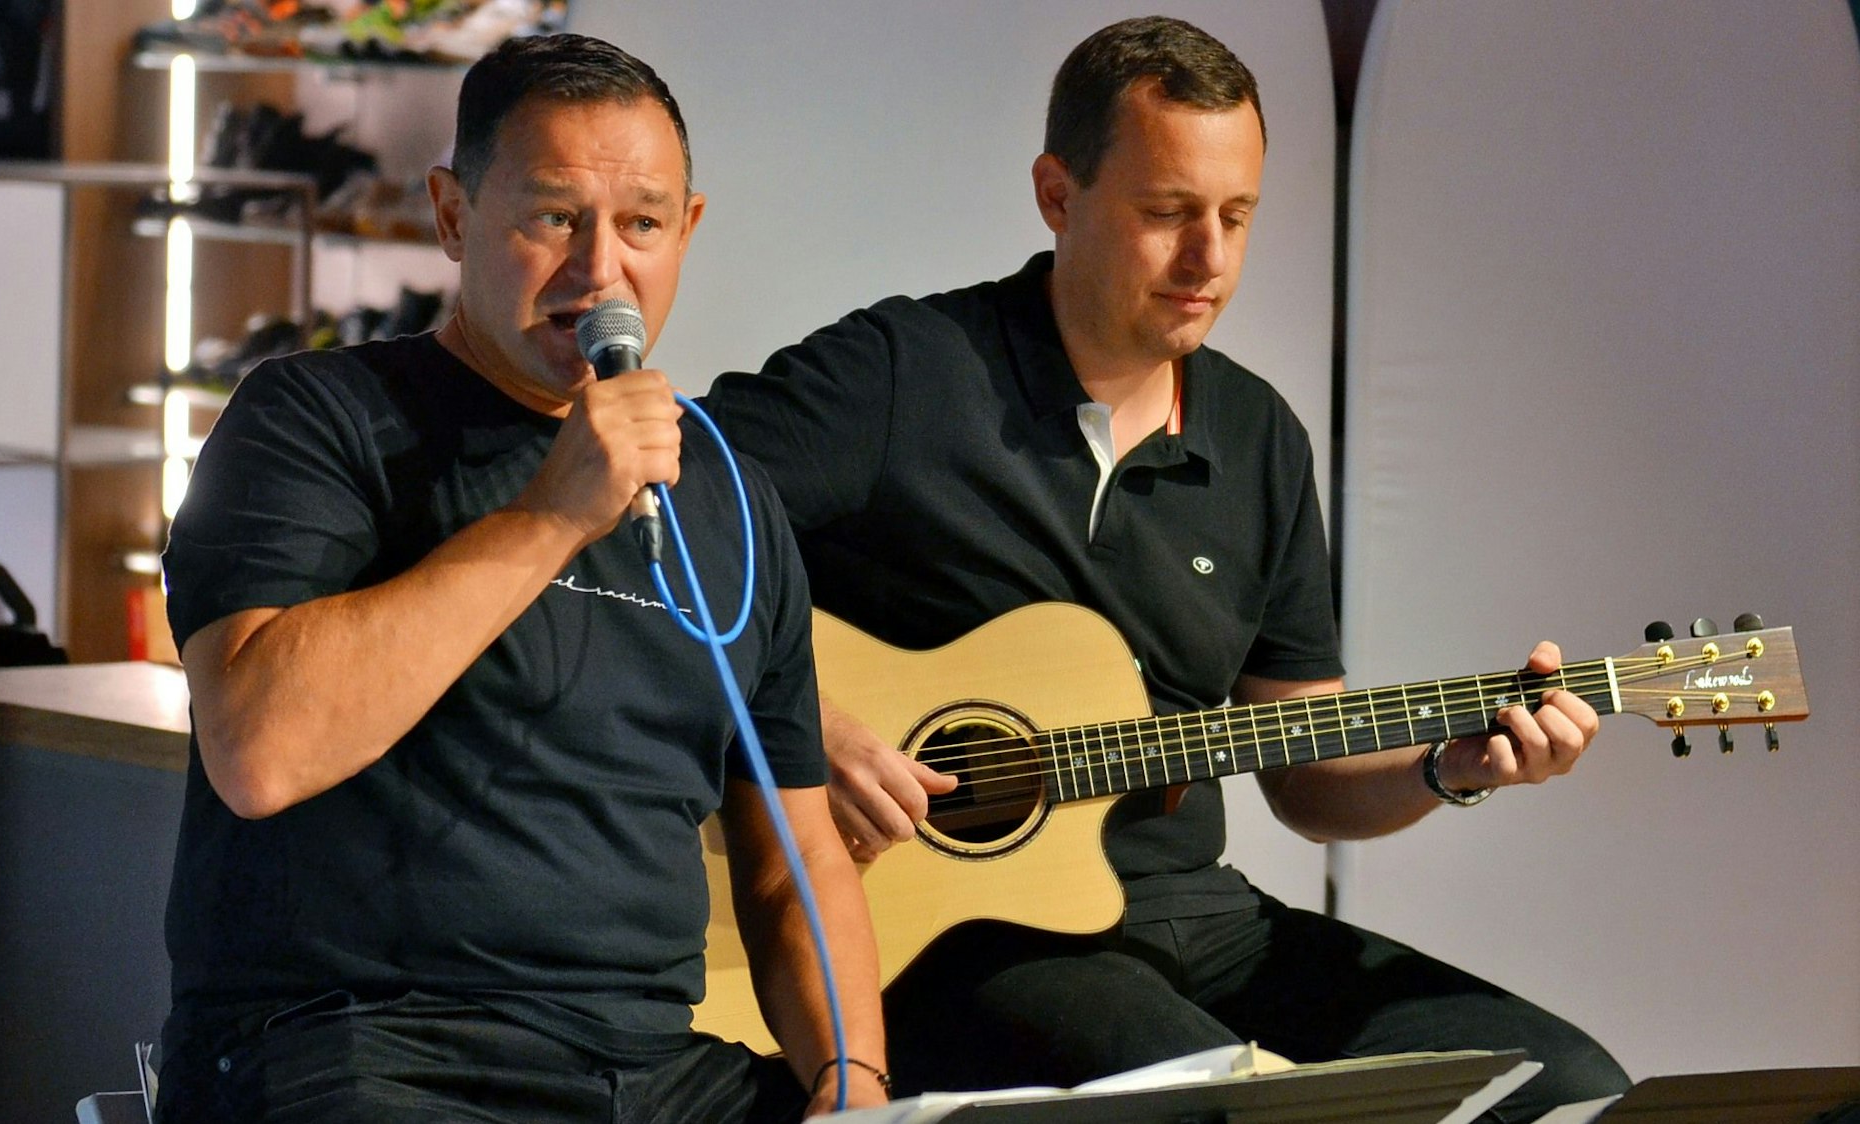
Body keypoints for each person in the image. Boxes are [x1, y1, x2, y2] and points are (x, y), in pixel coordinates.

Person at [704, 16, 1630, 1121]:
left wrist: (1451, 765)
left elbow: (1306, 773)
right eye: (1167, 214)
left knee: (1569, 1086)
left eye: (1236, 217)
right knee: (1220, 1101)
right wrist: (808, 720)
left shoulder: (1258, 437)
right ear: (1058, 194)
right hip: (954, 937)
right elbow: (649, 514)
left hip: (1203, 918)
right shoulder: (907, 371)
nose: (1210, 261)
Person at [155, 34, 886, 1123]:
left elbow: (794, 862)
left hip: (647, 1069)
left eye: (639, 223)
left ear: (685, 232)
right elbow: (260, 749)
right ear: (453, 216)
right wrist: (549, 515)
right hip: (365, 1049)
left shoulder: (726, 495)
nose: (599, 271)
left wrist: (852, 1082)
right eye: (552, 218)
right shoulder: (314, 419)